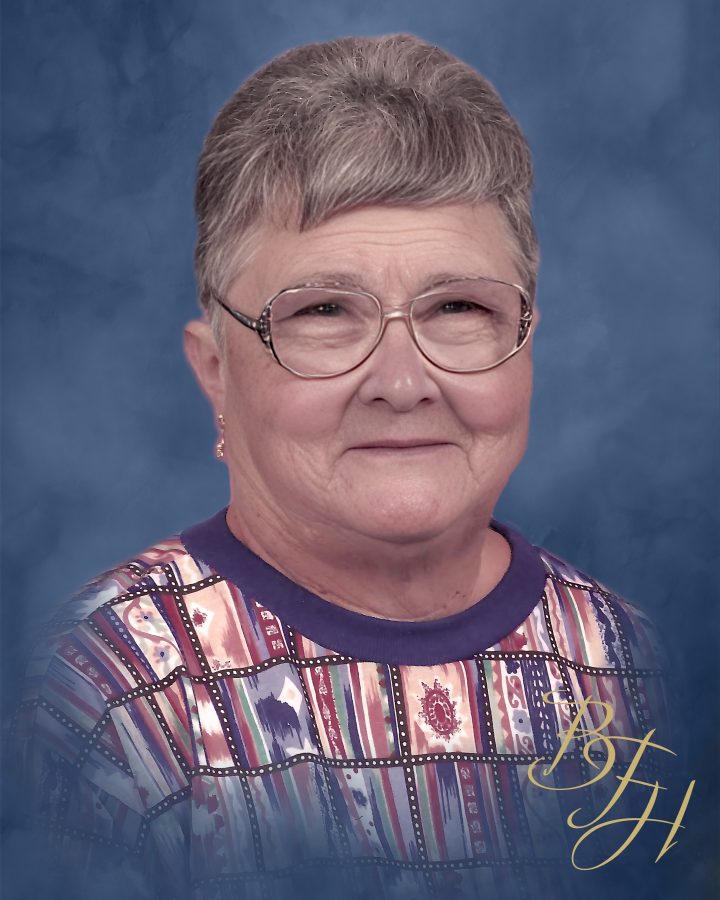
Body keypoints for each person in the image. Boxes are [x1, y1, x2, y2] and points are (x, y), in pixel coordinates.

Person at [5, 33, 682, 900]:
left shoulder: (635, 663)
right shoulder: (102, 698)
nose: (402, 383)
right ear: (214, 369)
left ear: (525, 347)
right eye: (323, 311)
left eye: (459, 307)